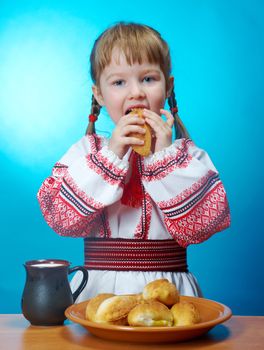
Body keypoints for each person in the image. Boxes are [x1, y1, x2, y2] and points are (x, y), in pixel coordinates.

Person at [37, 22, 230, 302]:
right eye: (119, 82)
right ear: (99, 95)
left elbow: (203, 225)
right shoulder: (86, 154)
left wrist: (164, 159)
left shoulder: (189, 157)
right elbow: (61, 219)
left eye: (148, 79)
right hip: (98, 293)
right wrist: (112, 155)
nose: (137, 92)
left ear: (168, 87)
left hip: (170, 291)